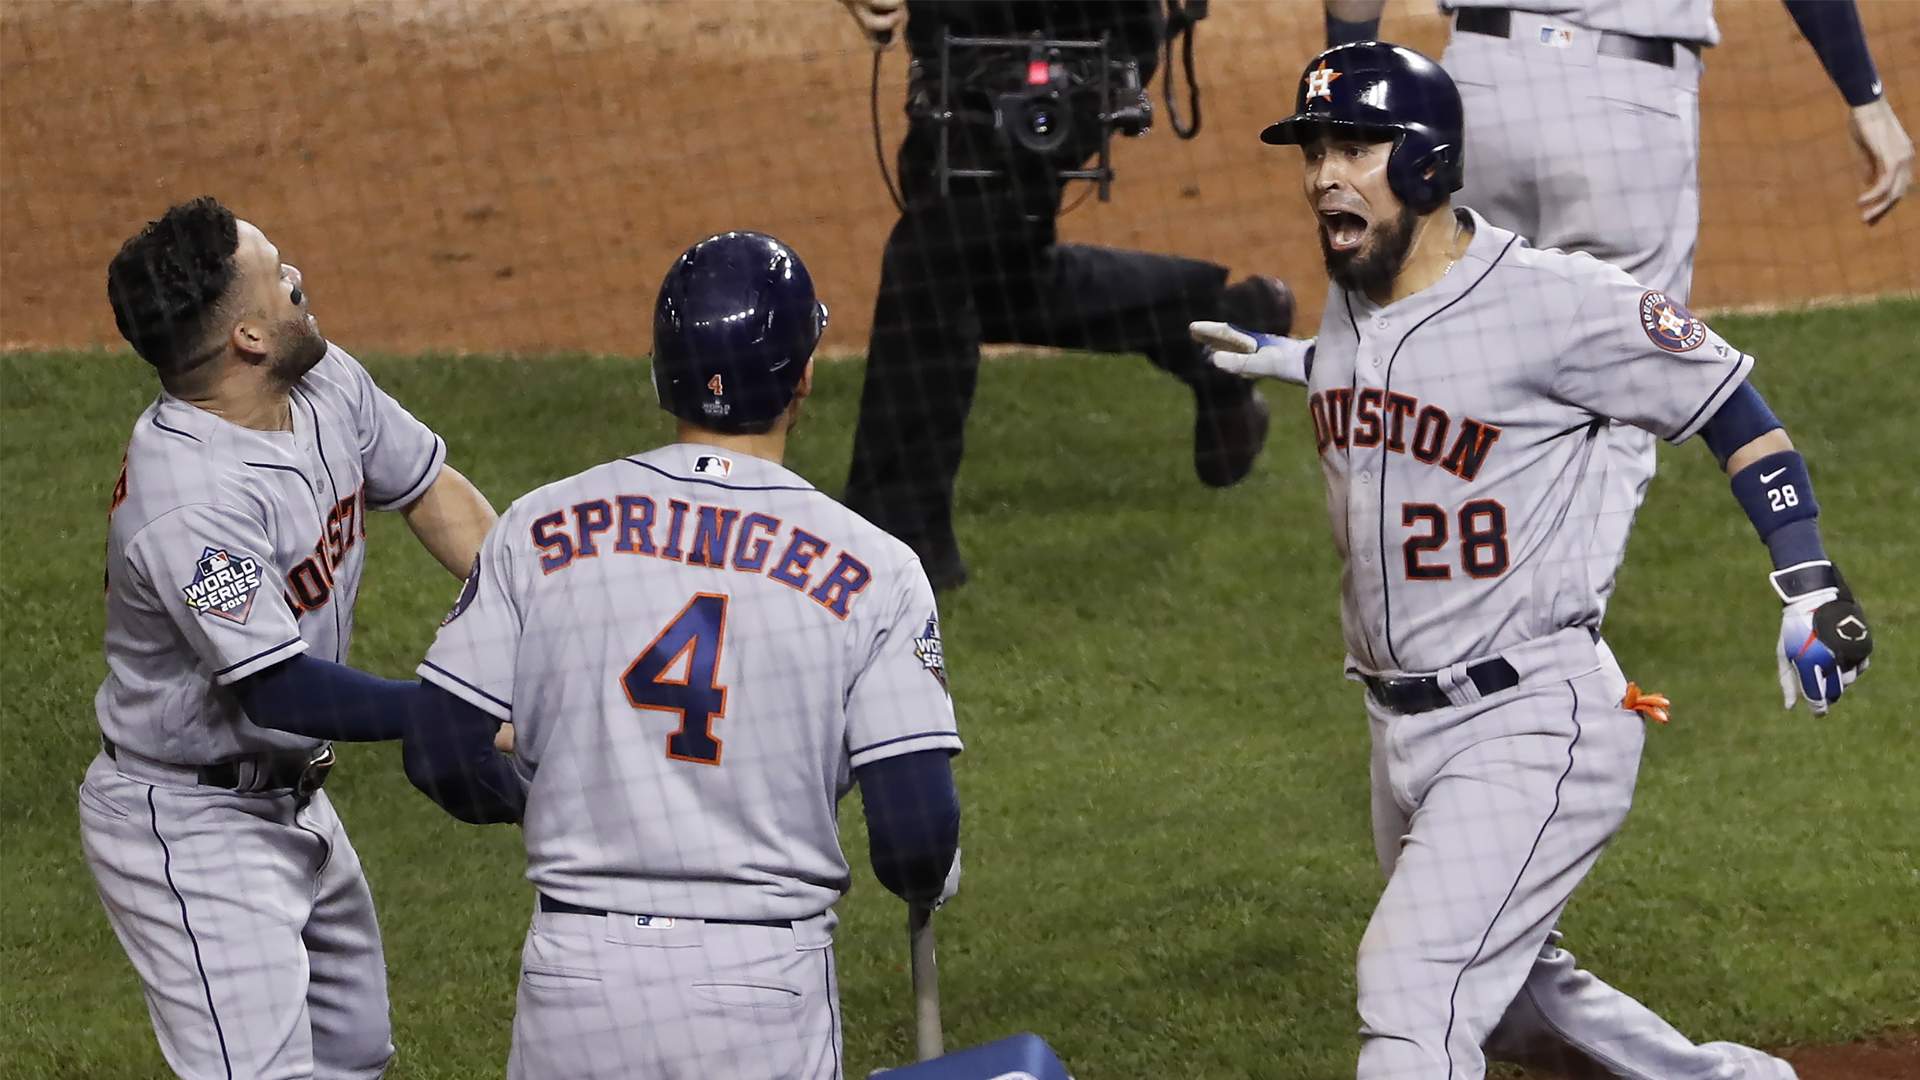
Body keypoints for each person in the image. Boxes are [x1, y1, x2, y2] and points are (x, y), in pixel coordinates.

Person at [1193, 44, 1872, 1080]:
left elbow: (1734, 408)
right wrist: (1292, 362)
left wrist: (1811, 583)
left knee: (1412, 992)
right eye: (1316, 147)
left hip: (1530, 721)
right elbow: (1404, 379)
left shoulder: (1558, 303)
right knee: (1507, 1007)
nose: (1326, 172)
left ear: (1426, 165)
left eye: (1357, 146)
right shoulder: (1354, 298)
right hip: (1398, 731)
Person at [256, 231, 965, 1078]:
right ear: (802, 379)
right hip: (761, 993)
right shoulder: (877, 568)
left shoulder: (540, 525)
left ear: (660, 370)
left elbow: (443, 749)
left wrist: (550, 794)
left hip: (578, 978)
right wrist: (927, 866)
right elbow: (915, 839)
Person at [84, 196, 498, 1079]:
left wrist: (531, 612)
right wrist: (453, 707)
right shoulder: (192, 504)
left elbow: (430, 491)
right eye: (278, 277)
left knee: (353, 1052)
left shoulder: (319, 379)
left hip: (293, 799)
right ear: (248, 341)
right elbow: (280, 688)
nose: (299, 280)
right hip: (193, 826)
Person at [1322, 0, 1913, 607]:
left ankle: (1437, 609)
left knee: (1452, 347)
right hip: (1625, 103)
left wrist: (1342, 77)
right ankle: (1545, 649)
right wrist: (1864, 93)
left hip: (1479, 84)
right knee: (1627, 369)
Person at [839, 0, 1296, 590]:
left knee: (936, 256)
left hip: (1076, 42)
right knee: (987, 273)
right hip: (955, 42)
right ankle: (1210, 330)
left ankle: (900, 535)